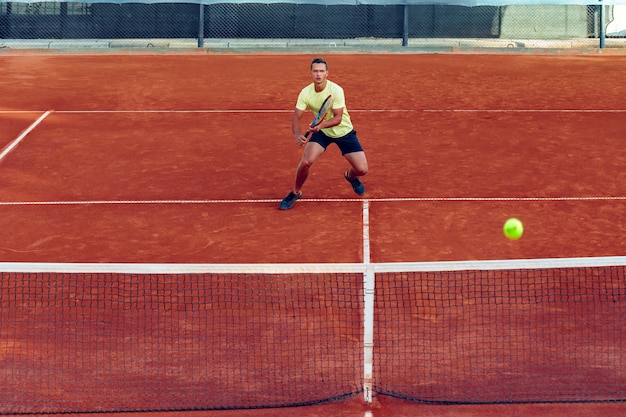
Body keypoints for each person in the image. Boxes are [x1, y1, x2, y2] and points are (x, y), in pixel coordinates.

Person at [279, 57, 368, 210]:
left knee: (362, 169)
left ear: (327, 73)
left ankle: (350, 176)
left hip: (344, 131)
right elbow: (296, 116)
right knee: (306, 162)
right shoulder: (305, 93)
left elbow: (338, 118)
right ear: (311, 73)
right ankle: (296, 192)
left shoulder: (336, 90)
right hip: (322, 133)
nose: (318, 74)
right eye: (315, 71)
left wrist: (320, 126)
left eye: (321, 71)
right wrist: (297, 134)